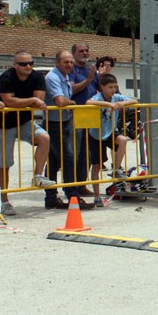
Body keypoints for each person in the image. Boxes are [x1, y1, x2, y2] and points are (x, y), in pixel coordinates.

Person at [0, 51, 57, 214]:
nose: (28, 66)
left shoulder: (37, 77)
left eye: (30, 63)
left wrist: (30, 101)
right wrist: (32, 100)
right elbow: (8, 101)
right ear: (15, 65)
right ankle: (4, 200)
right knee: (4, 164)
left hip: (25, 121)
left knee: (44, 137)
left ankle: (38, 176)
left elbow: (39, 100)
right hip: (4, 124)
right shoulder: (6, 77)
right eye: (23, 64)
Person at [45, 50, 93, 209]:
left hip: (64, 122)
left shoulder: (64, 77)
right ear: (57, 62)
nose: (69, 65)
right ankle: (73, 196)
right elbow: (59, 101)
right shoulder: (52, 77)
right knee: (68, 158)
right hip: (54, 123)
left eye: (71, 62)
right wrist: (73, 104)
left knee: (53, 162)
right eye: (65, 62)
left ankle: (51, 197)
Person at [86, 74, 138, 207]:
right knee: (96, 166)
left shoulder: (117, 97)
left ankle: (116, 168)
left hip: (110, 132)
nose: (113, 90)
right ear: (102, 87)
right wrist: (108, 104)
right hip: (96, 134)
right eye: (110, 87)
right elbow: (88, 103)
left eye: (115, 87)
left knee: (122, 140)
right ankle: (97, 195)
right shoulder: (98, 97)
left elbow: (134, 101)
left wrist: (122, 103)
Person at [69, 42, 96, 198]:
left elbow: (98, 88)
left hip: (90, 116)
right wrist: (88, 80)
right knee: (75, 152)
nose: (85, 53)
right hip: (75, 115)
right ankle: (71, 186)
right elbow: (71, 89)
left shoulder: (90, 70)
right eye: (81, 51)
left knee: (87, 153)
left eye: (87, 50)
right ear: (74, 53)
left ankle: (82, 184)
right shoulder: (71, 70)